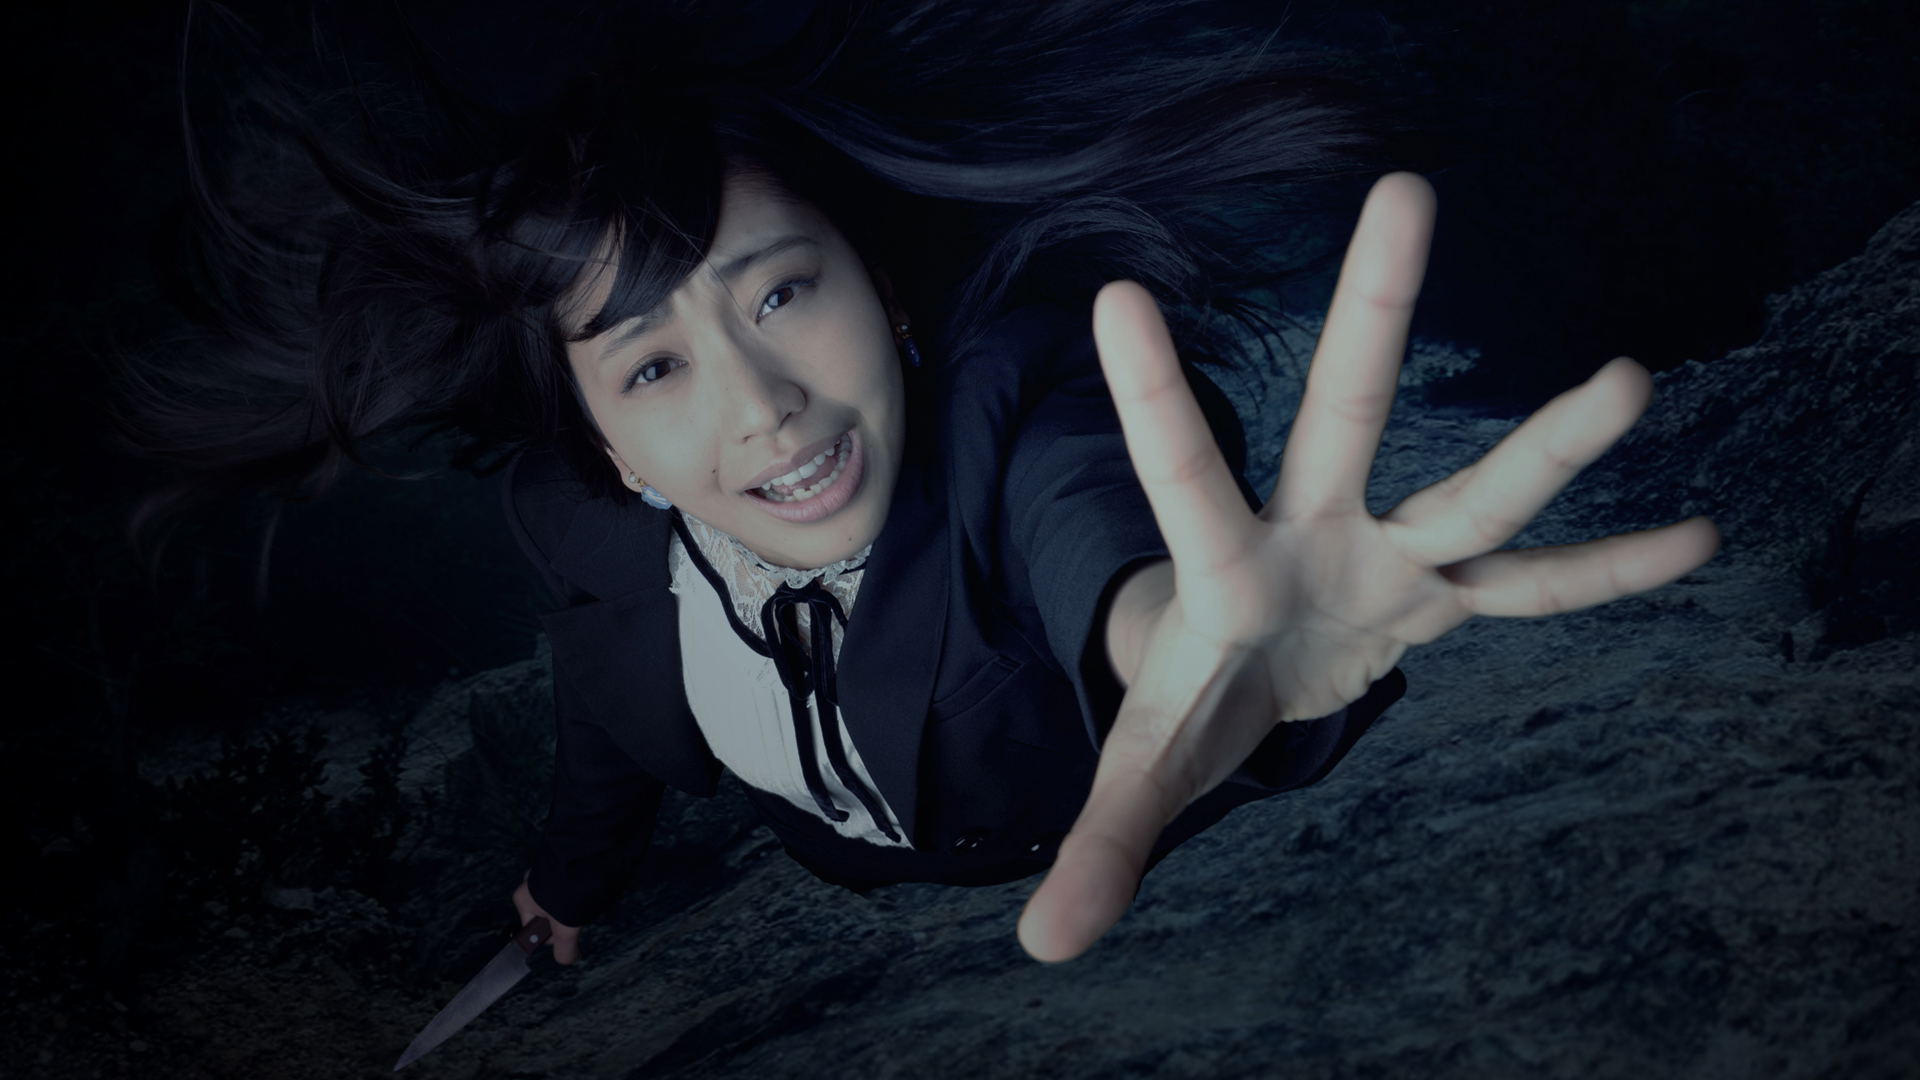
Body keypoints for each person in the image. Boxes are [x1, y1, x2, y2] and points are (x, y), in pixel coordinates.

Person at [120, 0, 1719, 966]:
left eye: (779, 292)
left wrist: (1190, 644)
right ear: (599, 446)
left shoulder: (1022, 410)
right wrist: (566, 876)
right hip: (848, 859)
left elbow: (1094, 532)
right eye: (653, 368)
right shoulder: (579, 521)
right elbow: (605, 707)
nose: (763, 407)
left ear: (882, 292)